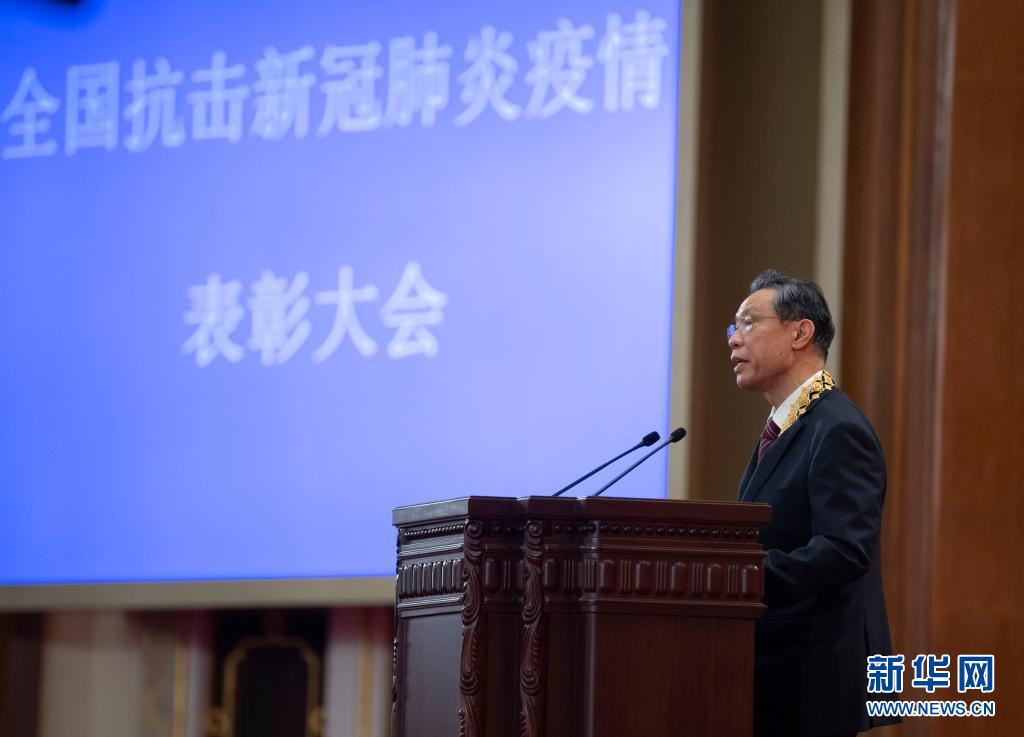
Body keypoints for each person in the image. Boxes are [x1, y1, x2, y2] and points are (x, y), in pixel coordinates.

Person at [728, 269, 899, 737]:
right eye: (733, 328)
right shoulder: (787, 425)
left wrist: (739, 577)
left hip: (812, 681)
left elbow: (844, 550)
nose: (734, 340)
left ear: (800, 332)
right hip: (778, 675)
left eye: (748, 323)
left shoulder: (837, 427)